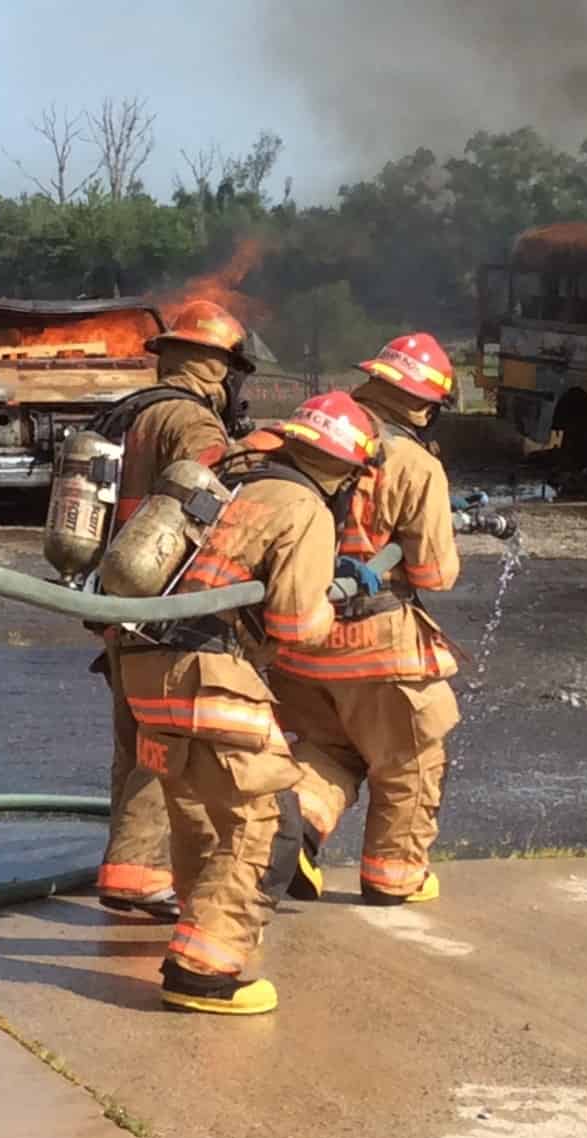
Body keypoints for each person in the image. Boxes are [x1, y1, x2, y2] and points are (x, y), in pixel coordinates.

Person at [119, 391, 377, 1015]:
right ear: (346, 468)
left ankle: (197, 929)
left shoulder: (235, 483)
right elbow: (294, 624)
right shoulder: (306, 507)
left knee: (201, 814)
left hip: (145, 666)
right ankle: (202, 970)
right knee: (269, 823)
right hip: (209, 674)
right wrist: (336, 597)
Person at [271, 335, 463, 906]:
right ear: (424, 406)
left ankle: (292, 836)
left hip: (299, 637)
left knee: (331, 748)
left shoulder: (308, 437)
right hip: (379, 645)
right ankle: (392, 878)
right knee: (410, 758)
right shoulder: (414, 463)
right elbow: (432, 573)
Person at [89, 300, 253, 921]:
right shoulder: (192, 422)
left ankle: (128, 867)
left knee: (134, 738)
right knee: (169, 742)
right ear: (216, 367)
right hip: (169, 605)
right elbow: (226, 502)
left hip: (117, 599)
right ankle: (139, 874)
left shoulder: (129, 412)